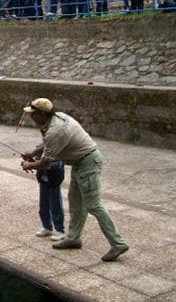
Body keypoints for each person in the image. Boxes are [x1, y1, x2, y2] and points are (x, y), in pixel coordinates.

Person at [20, 98, 129, 262]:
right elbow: (47, 144)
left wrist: (29, 164)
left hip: (88, 163)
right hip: (80, 162)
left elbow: (46, 163)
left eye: (33, 114)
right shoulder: (57, 118)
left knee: (93, 205)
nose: (31, 117)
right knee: (76, 202)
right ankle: (73, 238)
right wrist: (33, 152)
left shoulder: (55, 130)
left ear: (43, 113)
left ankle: (118, 243)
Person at [33, 156, 66, 242]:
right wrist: (33, 161)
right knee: (43, 206)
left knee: (56, 206)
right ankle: (47, 227)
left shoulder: (57, 149)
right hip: (43, 181)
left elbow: (57, 164)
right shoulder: (42, 148)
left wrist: (41, 164)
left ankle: (60, 230)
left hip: (53, 182)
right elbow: (36, 159)